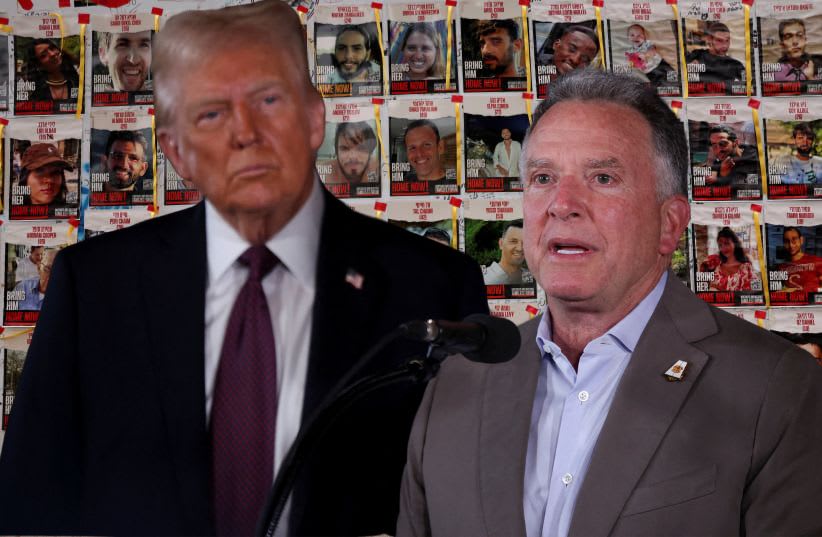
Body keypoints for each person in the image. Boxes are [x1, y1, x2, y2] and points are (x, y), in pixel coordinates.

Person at [0, 2, 488, 536]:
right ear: (176, 152)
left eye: (268, 100)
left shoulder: (436, 286)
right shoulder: (94, 287)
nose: (245, 133)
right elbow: (31, 507)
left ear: (314, 118)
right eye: (211, 113)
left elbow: (466, 507)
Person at [397, 69, 822, 537]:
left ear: (669, 224)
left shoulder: (778, 388)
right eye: (543, 177)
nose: (562, 203)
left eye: (602, 177)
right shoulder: (456, 382)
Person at [698, 227, 757, 291]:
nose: (723, 248)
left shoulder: (746, 267)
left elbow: (755, 290)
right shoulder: (715, 263)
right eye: (720, 245)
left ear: (735, 244)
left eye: (726, 243)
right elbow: (702, 284)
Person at [703, 124, 759, 190]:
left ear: (735, 143)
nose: (718, 150)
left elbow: (754, 183)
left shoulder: (753, 155)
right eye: (714, 145)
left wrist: (723, 176)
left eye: (723, 144)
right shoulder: (720, 159)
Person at [23, 38, 80, 102]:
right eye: (43, 55)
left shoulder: (77, 79)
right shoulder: (35, 92)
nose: (52, 54)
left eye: (52, 48)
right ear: (39, 65)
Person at [777, 226, 822, 294]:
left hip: (812, 300)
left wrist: (798, 290)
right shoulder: (781, 267)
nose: (791, 245)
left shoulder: (817, 261)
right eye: (787, 241)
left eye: (794, 240)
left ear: (801, 240)